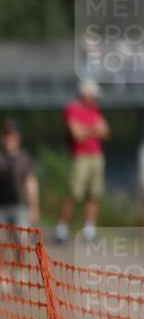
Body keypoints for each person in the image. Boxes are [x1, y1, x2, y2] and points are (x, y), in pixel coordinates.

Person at [0, 120, 40, 293]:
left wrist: (34, 206)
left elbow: (30, 183)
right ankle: (3, 277)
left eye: (12, 135)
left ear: (18, 138)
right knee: (0, 243)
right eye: (6, 135)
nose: (9, 139)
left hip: (20, 207)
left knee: (21, 242)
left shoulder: (24, 159)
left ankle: (21, 274)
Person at [55, 80, 108, 244]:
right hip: (81, 156)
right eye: (93, 96)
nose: (95, 99)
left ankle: (90, 230)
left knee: (94, 194)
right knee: (74, 194)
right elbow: (76, 134)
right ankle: (62, 229)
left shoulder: (94, 110)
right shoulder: (72, 109)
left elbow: (105, 132)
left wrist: (86, 130)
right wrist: (94, 130)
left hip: (96, 156)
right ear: (84, 94)